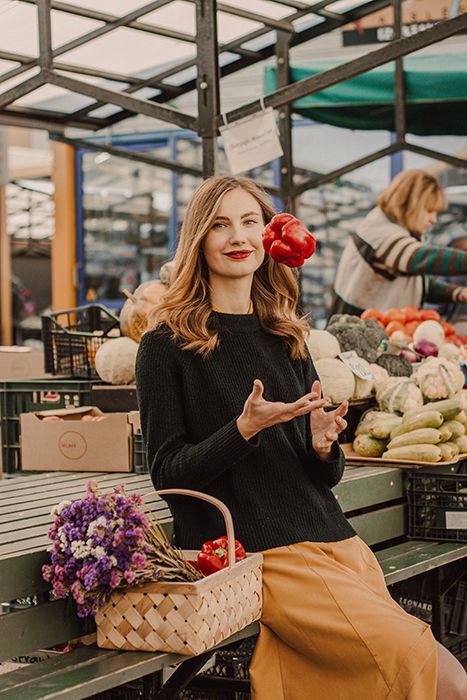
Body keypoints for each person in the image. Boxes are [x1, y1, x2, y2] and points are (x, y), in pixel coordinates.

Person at [136, 175, 466, 700]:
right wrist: (243, 429)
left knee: (422, 670)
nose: (238, 236)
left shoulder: (284, 333)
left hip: (335, 541)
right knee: (434, 675)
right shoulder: (165, 343)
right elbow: (167, 474)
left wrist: (321, 445)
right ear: (197, 238)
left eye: (250, 222)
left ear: (269, 237)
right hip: (258, 554)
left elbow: (322, 476)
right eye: (220, 224)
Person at [331, 169, 467, 317]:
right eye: (429, 211)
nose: (433, 220)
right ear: (410, 203)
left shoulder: (396, 230)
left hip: (374, 326)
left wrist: (457, 293)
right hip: (353, 327)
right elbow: (421, 258)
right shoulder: (378, 230)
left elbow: (418, 286)